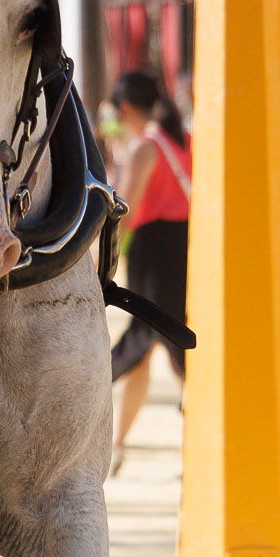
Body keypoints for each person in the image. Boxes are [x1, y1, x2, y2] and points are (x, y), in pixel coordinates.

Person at [107, 70, 191, 473]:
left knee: (151, 339)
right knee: (166, 344)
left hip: (153, 251)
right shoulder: (184, 140)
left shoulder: (144, 148)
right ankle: (117, 444)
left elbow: (130, 211)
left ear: (125, 109)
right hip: (185, 246)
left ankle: (110, 430)